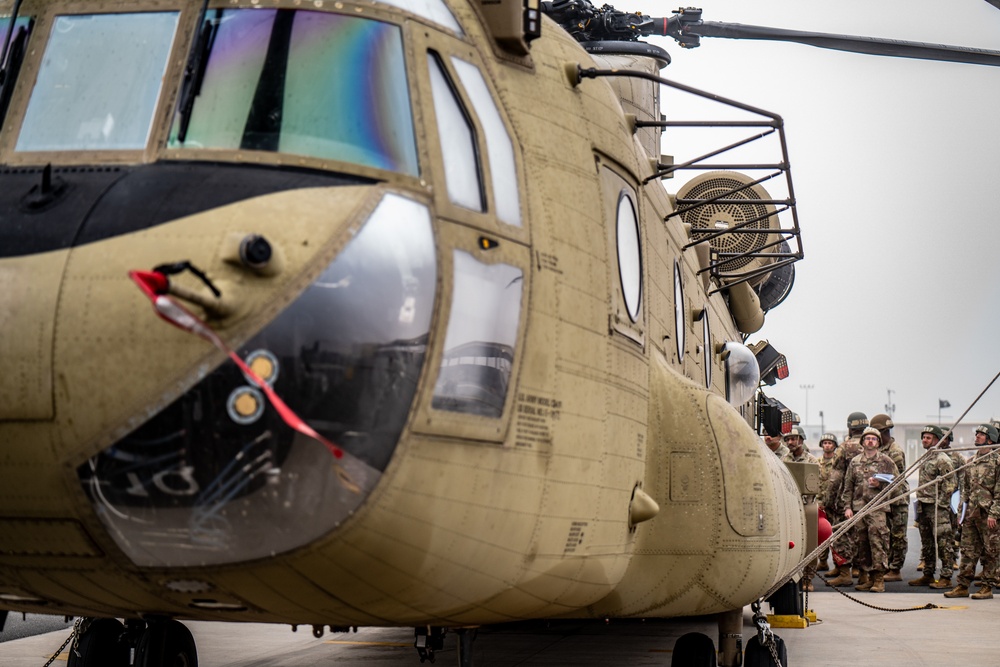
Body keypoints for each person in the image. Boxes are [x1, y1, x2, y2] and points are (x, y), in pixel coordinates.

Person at [944, 424, 1000, 599]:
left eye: (981, 434)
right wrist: (961, 513)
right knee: (967, 551)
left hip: (988, 514)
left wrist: (994, 514)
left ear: (990, 438)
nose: (976, 436)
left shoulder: (997, 462)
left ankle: (987, 587)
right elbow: (965, 492)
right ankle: (962, 585)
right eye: (976, 433)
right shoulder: (971, 462)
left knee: (991, 551)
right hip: (971, 514)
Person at [839, 426, 897, 592]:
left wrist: (880, 484)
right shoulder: (855, 462)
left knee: (878, 542)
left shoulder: (886, 462)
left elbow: (897, 485)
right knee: (861, 543)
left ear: (878, 443)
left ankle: (879, 580)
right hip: (858, 509)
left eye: (874, 439)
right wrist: (847, 507)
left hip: (877, 509)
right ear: (863, 442)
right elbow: (847, 486)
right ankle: (866, 576)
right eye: (867, 438)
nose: (870, 441)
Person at [908, 425, 957, 589]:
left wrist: (941, 504)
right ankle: (928, 574)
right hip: (923, 505)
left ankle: (946, 576)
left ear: (937, 440)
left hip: (937, 508)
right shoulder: (926, 457)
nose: (924, 440)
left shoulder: (942, 459)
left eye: (928, 437)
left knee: (944, 542)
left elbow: (951, 483)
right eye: (923, 437)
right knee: (927, 543)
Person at [824, 412, 869, 587]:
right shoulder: (872, 445)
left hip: (846, 500)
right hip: (867, 500)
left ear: (850, 427)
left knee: (842, 535)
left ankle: (844, 573)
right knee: (863, 536)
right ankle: (864, 575)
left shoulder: (845, 447)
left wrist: (829, 500)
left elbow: (835, 477)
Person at [870, 413, 908, 581]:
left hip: (897, 499)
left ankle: (896, 569)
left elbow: (896, 480)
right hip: (884, 499)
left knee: (898, 535)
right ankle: (888, 565)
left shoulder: (895, 452)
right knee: (887, 535)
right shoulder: (880, 450)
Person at [817, 433, 839, 572]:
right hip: (820, 504)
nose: (827, 445)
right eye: (824, 443)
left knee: (837, 535)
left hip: (835, 504)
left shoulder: (838, 462)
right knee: (821, 533)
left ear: (834, 445)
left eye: (830, 443)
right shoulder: (816, 462)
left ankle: (838, 564)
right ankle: (823, 561)